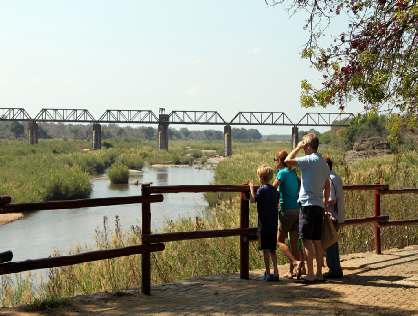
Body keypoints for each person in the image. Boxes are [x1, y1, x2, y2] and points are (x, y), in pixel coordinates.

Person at [285, 133, 330, 284]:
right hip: (318, 204)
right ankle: (319, 273)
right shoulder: (323, 162)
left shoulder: (309, 160)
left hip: (307, 205)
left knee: (306, 240)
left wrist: (297, 147)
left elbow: (287, 161)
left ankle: (310, 274)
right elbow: (326, 184)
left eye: (305, 145)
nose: (304, 148)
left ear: (309, 146)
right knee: (317, 241)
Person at [272, 150, 303, 279]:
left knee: (278, 241)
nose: (276, 163)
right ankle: (293, 271)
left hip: (287, 211)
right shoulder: (293, 173)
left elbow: (272, 188)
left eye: (276, 160)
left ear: (281, 161)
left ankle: (295, 262)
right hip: (297, 210)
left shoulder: (282, 173)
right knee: (294, 244)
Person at [249, 165, 280, 281]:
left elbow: (253, 200)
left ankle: (267, 273)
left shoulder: (261, 190)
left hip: (263, 224)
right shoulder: (275, 191)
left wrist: (251, 188)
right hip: (273, 224)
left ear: (261, 177)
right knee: (272, 249)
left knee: (265, 249)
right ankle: (276, 272)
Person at [324, 157, 345, 278]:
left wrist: (320, 202)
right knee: (333, 243)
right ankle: (336, 269)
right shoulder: (336, 177)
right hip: (338, 215)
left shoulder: (329, 179)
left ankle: (334, 270)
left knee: (330, 244)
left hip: (332, 216)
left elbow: (331, 199)